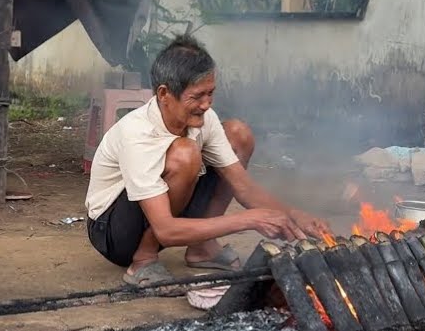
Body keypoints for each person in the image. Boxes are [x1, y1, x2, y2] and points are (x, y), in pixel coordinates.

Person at [85, 34, 327, 286]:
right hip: (112, 232)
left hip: (161, 212)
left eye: (211, 94)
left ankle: (201, 247)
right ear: (164, 94)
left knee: (238, 134)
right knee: (185, 153)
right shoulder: (137, 133)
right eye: (197, 96)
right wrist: (249, 220)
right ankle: (143, 260)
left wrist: (293, 214)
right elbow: (166, 230)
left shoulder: (205, 119)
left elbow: (242, 186)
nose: (206, 104)